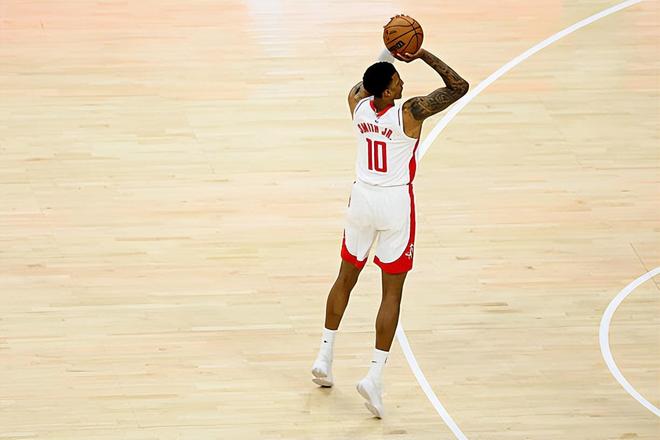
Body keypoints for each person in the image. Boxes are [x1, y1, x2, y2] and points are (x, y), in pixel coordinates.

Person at [311, 37, 469, 418]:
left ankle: (324, 356)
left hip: (362, 200)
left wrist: (388, 53)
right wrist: (421, 54)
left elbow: (364, 83)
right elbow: (458, 87)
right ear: (387, 91)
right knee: (392, 293)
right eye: (397, 80)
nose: (402, 82)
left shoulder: (357, 105)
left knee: (345, 278)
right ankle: (374, 377)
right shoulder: (409, 113)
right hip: (394, 203)